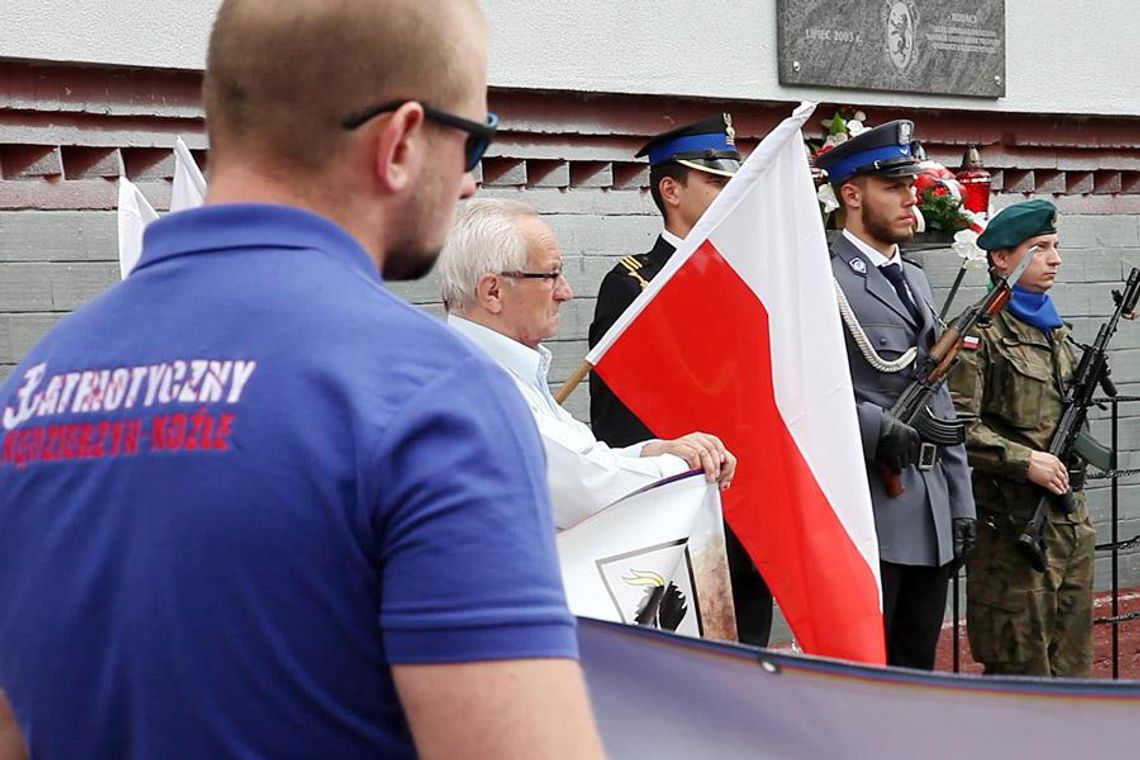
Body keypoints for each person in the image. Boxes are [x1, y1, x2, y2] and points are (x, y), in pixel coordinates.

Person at [0, 1, 603, 757]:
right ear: (401, 142)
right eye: (474, 140)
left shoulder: (31, 392)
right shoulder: (432, 397)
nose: (472, 184)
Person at [587, 115, 773, 647]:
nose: (729, 195)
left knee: (750, 665)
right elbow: (618, 419)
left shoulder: (748, 278)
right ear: (671, 189)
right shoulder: (634, 284)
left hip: (750, 507)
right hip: (683, 512)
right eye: (716, 183)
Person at [438, 198, 736, 529]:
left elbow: (585, 461)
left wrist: (655, 451)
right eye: (551, 275)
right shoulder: (476, 384)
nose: (566, 292)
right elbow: (589, 490)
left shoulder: (492, 367)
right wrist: (688, 467)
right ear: (493, 292)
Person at [816, 120, 977, 670]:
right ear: (852, 195)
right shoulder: (821, 278)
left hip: (929, 511)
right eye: (895, 187)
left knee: (917, 674)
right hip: (871, 510)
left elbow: (940, 398)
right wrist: (871, 427)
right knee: (863, 675)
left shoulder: (916, 278)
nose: (912, 198)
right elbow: (806, 388)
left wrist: (960, 502)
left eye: (911, 185)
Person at [947, 199, 1095, 676]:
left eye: (1055, 247)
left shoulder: (1057, 331)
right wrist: (1022, 460)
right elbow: (956, 426)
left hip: (1068, 523)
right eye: (1040, 248)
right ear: (1001, 259)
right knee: (1020, 670)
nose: (1055, 259)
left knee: (1072, 666)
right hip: (1011, 530)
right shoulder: (979, 334)